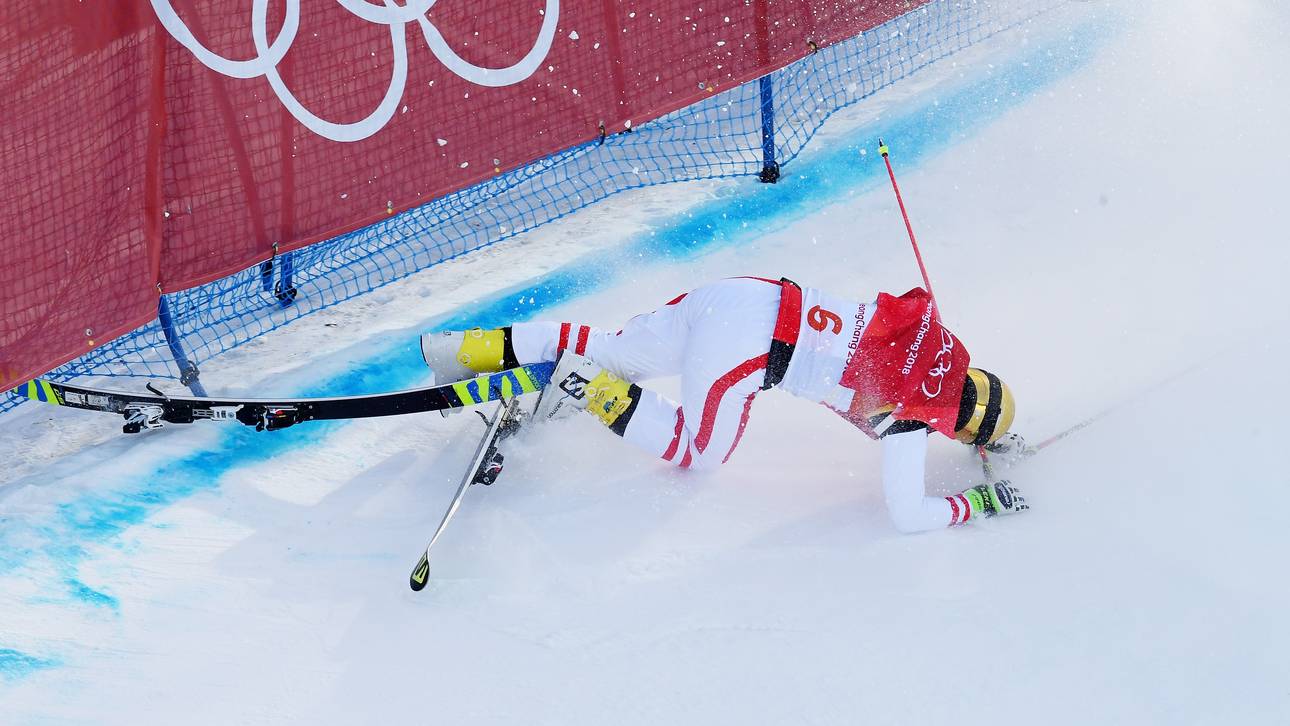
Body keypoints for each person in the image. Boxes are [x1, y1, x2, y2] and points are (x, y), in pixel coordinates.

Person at [421, 276, 1027, 533]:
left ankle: (467, 350)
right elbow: (907, 514)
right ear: (955, 424)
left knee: (616, 351)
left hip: (744, 293)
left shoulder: (928, 338)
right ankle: (584, 387)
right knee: (697, 451)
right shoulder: (913, 420)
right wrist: (980, 501)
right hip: (752, 348)